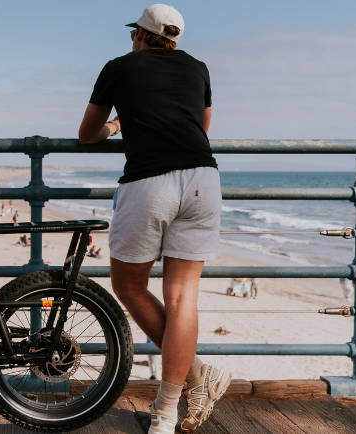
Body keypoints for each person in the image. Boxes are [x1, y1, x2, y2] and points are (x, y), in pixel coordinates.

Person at [78, 5, 228, 432]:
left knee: (129, 285)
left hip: (150, 182)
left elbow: (87, 134)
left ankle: (198, 374)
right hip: (203, 180)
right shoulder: (198, 68)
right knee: (183, 300)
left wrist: (119, 125)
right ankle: (165, 415)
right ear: (174, 39)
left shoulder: (120, 67)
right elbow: (202, 125)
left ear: (138, 35)